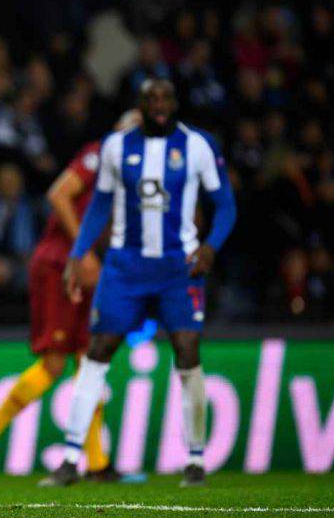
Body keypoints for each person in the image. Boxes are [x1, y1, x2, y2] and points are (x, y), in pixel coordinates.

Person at [49, 79, 236, 487]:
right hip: (125, 267)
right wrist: (79, 254)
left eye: (166, 97)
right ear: (141, 104)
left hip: (178, 268)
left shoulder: (198, 145)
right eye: (151, 98)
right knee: (98, 350)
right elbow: (99, 205)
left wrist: (211, 247)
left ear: (176, 102)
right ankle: (70, 459)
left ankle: (196, 459)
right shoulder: (116, 147)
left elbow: (225, 204)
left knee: (187, 350)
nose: (159, 104)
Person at [0, 111, 142, 487]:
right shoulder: (97, 155)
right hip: (59, 265)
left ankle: (97, 463)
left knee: (89, 361)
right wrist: (83, 250)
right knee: (55, 363)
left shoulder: (130, 175)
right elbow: (59, 194)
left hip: (86, 266)